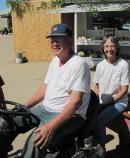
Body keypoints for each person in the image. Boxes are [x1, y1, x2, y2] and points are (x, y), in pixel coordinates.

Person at [7, 23, 91, 157]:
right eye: (52, 40)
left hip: (70, 116)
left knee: (37, 139)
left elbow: (75, 103)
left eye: (59, 39)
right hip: (45, 109)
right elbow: (44, 88)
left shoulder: (79, 64)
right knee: (8, 121)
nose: (54, 43)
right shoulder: (54, 61)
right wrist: (23, 107)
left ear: (70, 41)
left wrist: (51, 127)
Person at [93, 35, 130, 151]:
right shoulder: (100, 65)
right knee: (90, 119)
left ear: (117, 48)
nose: (109, 49)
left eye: (112, 46)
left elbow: (124, 89)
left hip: (118, 102)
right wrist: (95, 102)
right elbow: (96, 86)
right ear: (103, 49)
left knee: (99, 122)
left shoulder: (123, 65)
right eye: (106, 46)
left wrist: (110, 101)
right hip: (103, 101)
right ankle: (102, 140)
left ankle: (102, 150)